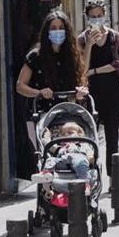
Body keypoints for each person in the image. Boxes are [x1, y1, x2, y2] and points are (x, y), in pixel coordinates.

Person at [16, 8, 89, 148]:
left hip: (68, 115)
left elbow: (81, 81)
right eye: (53, 28)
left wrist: (80, 92)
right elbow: (20, 86)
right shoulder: (35, 57)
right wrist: (39, 92)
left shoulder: (73, 56)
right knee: (42, 150)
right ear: (47, 31)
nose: (57, 31)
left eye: (61, 28)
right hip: (41, 114)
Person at [80, 0, 119, 160]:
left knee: (112, 138)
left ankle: (114, 179)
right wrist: (89, 45)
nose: (96, 19)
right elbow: (81, 70)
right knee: (89, 139)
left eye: (99, 16)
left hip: (113, 92)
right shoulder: (82, 40)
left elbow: (117, 65)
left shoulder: (114, 37)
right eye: (92, 16)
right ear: (87, 18)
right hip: (91, 94)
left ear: (105, 15)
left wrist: (94, 71)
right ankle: (93, 176)